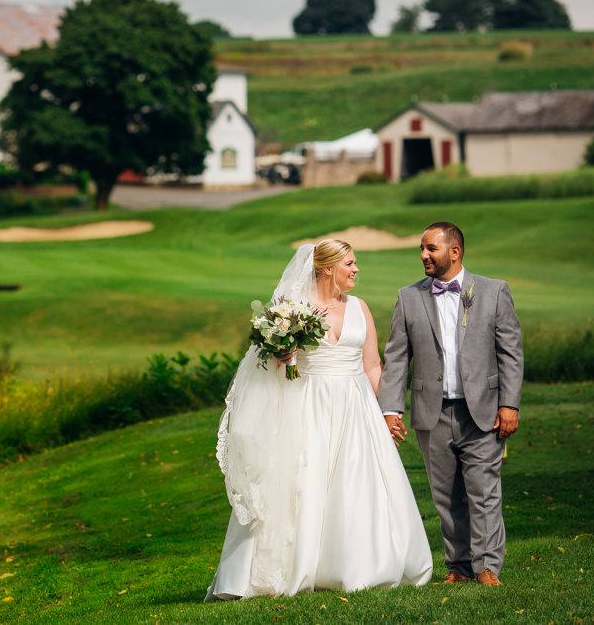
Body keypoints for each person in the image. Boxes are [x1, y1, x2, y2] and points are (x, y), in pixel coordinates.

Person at [206, 240, 432, 600]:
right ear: (327, 268)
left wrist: (388, 410)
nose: (357, 269)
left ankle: (359, 563)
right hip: (309, 406)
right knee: (305, 483)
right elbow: (274, 370)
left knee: (356, 482)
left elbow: (373, 364)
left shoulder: (360, 308)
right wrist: (284, 355)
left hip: (356, 407)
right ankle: (298, 565)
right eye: (350, 263)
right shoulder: (293, 311)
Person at [378, 222, 523, 587]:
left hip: (483, 411)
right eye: (422, 249)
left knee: (484, 491)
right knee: (445, 496)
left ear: (454, 252)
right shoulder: (408, 297)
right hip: (431, 412)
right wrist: (390, 409)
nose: (424, 255)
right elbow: (396, 358)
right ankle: (458, 566)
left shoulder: (493, 291)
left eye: (431, 249)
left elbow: (511, 354)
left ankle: (487, 567)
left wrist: (510, 404)